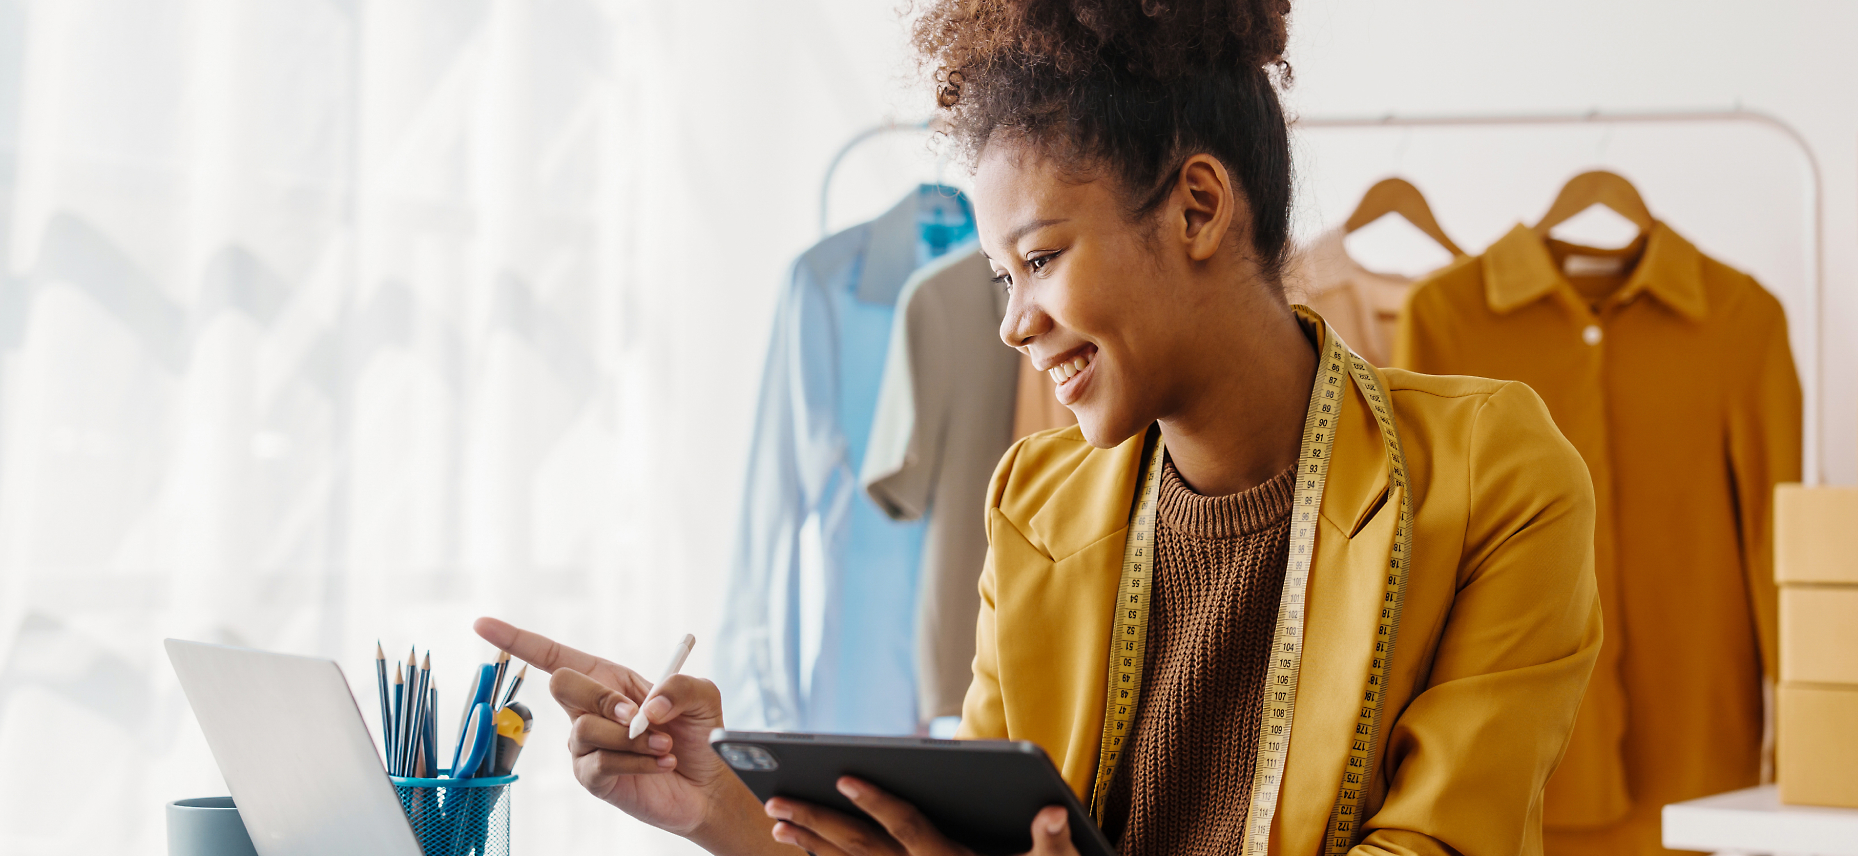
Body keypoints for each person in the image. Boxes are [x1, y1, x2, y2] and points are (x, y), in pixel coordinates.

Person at [475, 1, 1603, 854]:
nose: (1013, 323)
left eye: (1041, 259)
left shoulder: (1490, 472)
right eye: (997, 277)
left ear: (1198, 209)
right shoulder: (1035, 505)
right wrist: (722, 801)